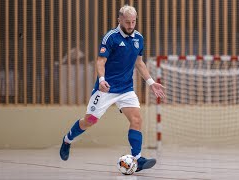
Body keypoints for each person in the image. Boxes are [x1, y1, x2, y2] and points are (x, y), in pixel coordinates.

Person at [59, 5, 165, 172]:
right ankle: (67, 140)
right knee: (89, 121)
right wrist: (101, 80)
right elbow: (100, 62)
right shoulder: (111, 37)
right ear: (119, 20)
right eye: (127, 22)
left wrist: (151, 82)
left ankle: (137, 159)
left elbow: (139, 63)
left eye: (134, 22)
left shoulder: (139, 38)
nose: (131, 26)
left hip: (126, 89)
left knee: (136, 120)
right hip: (106, 88)